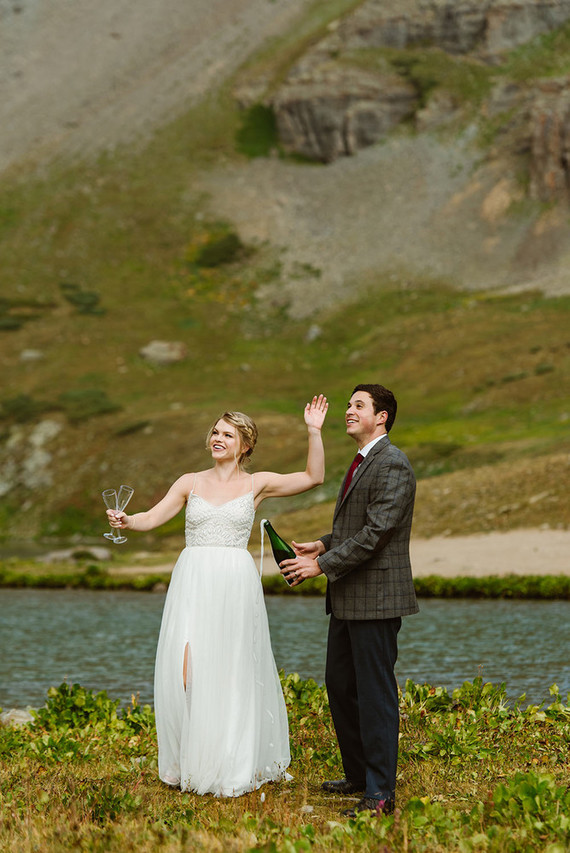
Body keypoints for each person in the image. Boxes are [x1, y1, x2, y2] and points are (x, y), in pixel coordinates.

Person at [105, 395, 328, 797]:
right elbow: (151, 517)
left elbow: (313, 477)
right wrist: (127, 520)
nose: (217, 438)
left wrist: (313, 431)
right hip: (193, 579)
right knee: (184, 670)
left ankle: (229, 761)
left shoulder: (255, 484)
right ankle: (191, 758)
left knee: (231, 667)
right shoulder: (189, 482)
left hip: (234, 581)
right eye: (215, 432)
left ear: (245, 445)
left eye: (227, 434)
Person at [280, 384, 418, 817]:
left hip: (376, 599)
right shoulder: (363, 461)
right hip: (347, 598)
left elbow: (376, 534)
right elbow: (356, 527)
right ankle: (359, 776)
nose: (348, 411)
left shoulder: (392, 463)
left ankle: (380, 795)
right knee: (341, 687)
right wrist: (322, 546)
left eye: (359, 405)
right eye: (349, 404)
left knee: (375, 695)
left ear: (382, 417)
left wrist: (320, 567)